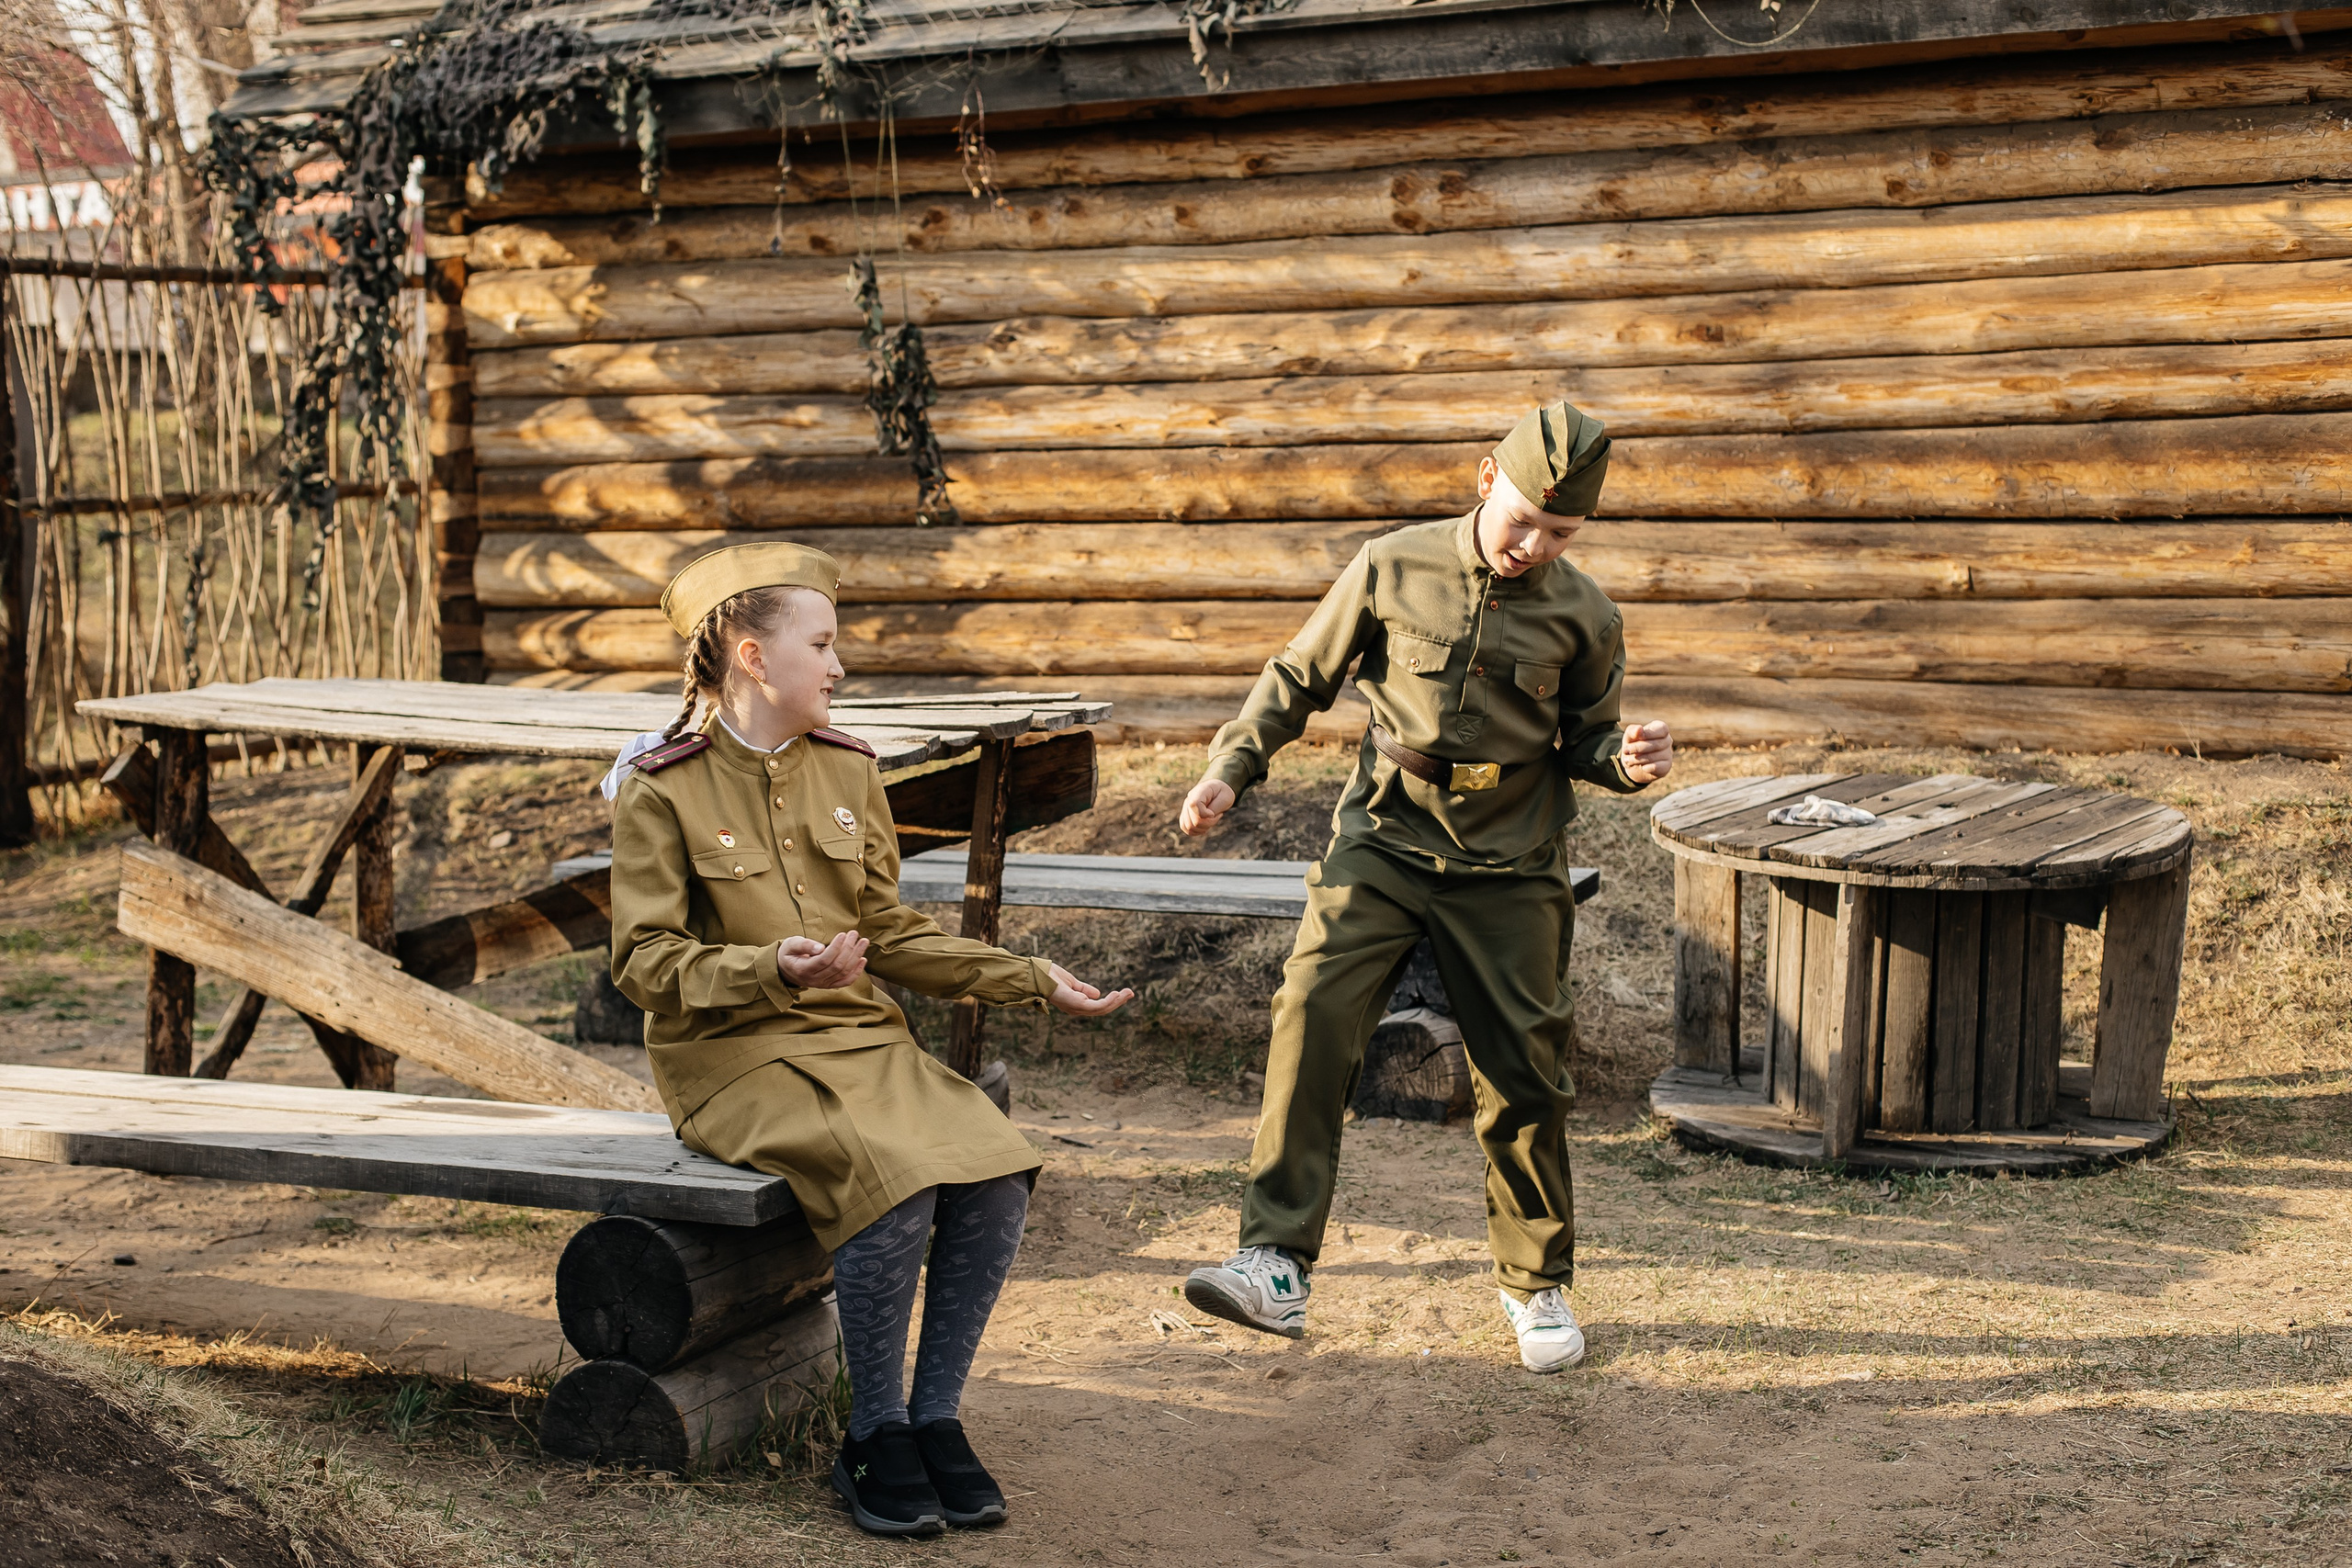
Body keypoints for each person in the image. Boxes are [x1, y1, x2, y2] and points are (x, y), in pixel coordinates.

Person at [605, 542, 1132, 1536]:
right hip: (730, 1060)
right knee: (889, 1173)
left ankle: (933, 1419)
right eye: (823, 644)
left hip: (856, 1040)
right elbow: (643, 964)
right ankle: (872, 1435)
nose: (839, 666)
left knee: (992, 1165)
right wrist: (773, 969)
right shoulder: (662, 786)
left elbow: (886, 932)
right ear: (753, 656)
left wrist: (1028, 978)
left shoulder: (850, 770)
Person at [1175, 402, 1674, 1373]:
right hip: (1386, 836)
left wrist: (1631, 760)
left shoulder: (1586, 615)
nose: (1533, 544)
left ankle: (1536, 1285)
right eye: (1524, 517)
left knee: (1526, 1072)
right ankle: (1274, 1260)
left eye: (1559, 533)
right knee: (1312, 1008)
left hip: (1514, 860)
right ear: (1487, 477)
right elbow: (1295, 677)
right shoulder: (1391, 564)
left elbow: (1590, 744)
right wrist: (1228, 769)